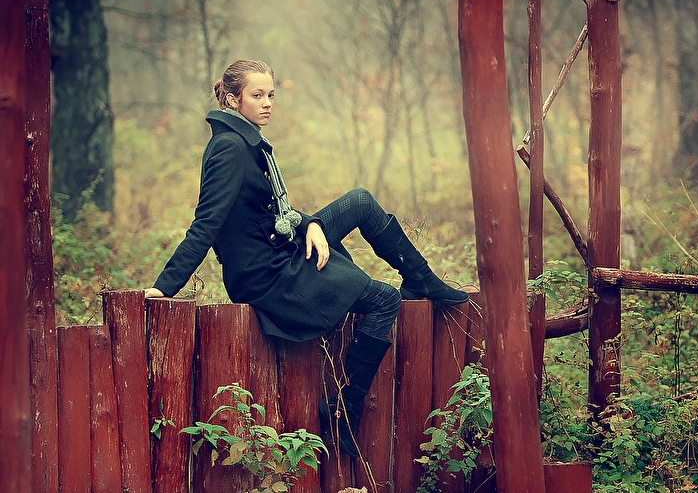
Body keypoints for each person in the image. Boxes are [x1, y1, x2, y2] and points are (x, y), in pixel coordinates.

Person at [144, 59, 468, 457]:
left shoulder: (246, 142)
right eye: (257, 95)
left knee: (361, 201)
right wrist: (165, 286)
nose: (267, 103)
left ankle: (422, 279)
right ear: (232, 99)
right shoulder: (230, 149)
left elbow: (270, 211)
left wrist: (310, 223)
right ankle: (343, 409)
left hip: (280, 249)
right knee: (385, 299)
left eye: (271, 95)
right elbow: (206, 224)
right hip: (270, 276)